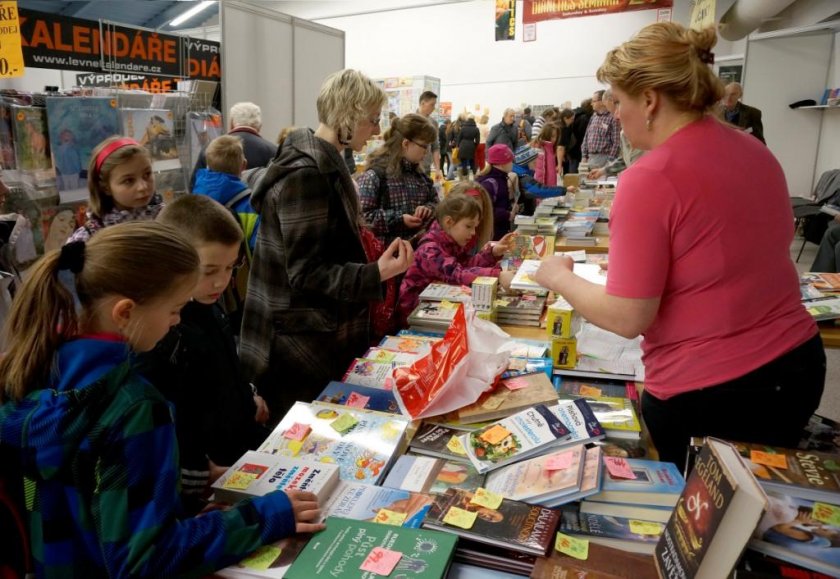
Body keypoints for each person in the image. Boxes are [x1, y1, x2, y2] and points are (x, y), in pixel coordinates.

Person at [534, 21, 825, 467]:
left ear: (649, 100)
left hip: (713, 393)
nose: (614, 113)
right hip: (796, 365)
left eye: (618, 100)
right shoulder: (754, 151)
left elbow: (628, 315)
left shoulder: (649, 178)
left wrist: (559, 278)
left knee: (697, 526)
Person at [0, 222, 324, 576]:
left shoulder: (28, 368)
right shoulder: (134, 408)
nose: (177, 320)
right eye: (175, 308)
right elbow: (144, 560)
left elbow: (102, 515)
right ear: (125, 313)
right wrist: (265, 516)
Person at [239, 69, 413, 416]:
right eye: (372, 120)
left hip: (304, 335)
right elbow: (305, 274)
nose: (376, 131)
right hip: (299, 345)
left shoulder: (318, 167)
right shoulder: (308, 176)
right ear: (348, 116)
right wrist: (375, 273)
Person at [139, 196, 269, 513]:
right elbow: (170, 419)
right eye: (209, 270)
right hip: (209, 476)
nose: (222, 281)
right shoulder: (163, 332)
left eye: (230, 267)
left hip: (239, 451)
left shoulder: (207, 305)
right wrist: (197, 475)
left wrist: (247, 393)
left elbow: (223, 366)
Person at [398, 190, 514, 323]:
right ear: (449, 222)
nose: (473, 233)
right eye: (469, 226)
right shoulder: (429, 250)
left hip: (437, 308)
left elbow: (466, 265)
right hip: (415, 316)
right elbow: (458, 274)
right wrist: (497, 275)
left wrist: (492, 253)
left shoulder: (450, 242)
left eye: (475, 227)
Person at [357, 114, 439, 245]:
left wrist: (427, 209)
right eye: (424, 146)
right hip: (386, 258)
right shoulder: (375, 176)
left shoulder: (422, 178)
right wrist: (398, 219)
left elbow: (436, 203)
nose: (427, 152)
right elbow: (362, 219)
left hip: (417, 255)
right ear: (406, 143)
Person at [66, 136, 162, 243]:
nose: (143, 187)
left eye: (147, 174)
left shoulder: (167, 217)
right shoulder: (91, 237)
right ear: (105, 187)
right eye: (128, 181)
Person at [192, 135, 260, 256]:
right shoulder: (253, 206)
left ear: (207, 165)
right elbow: (259, 252)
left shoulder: (191, 202)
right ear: (244, 165)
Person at [190, 102, 278, 191]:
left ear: (232, 123)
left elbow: (194, 186)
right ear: (259, 126)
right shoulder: (274, 151)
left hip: (214, 203)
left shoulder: (211, 148)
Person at [477, 144, 518, 240]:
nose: (512, 163)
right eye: (510, 161)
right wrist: (507, 214)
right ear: (502, 163)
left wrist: (511, 208)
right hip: (492, 234)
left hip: (500, 230)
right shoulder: (490, 183)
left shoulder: (501, 177)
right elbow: (485, 210)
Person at [581, 89, 621, 169]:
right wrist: (584, 156)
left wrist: (610, 160)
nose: (591, 104)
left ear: (602, 102)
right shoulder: (593, 117)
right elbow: (586, 137)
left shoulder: (612, 117)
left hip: (604, 158)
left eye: (593, 101)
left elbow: (616, 141)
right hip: (590, 158)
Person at [417, 90, 442, 175]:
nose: (434, 108)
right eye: (432, 104)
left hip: (426, 167)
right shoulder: (411, 120)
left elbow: (435, 146)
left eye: (434, 105)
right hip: (412, 166)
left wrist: (437, 169)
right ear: (423, 103)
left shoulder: (433, 123)